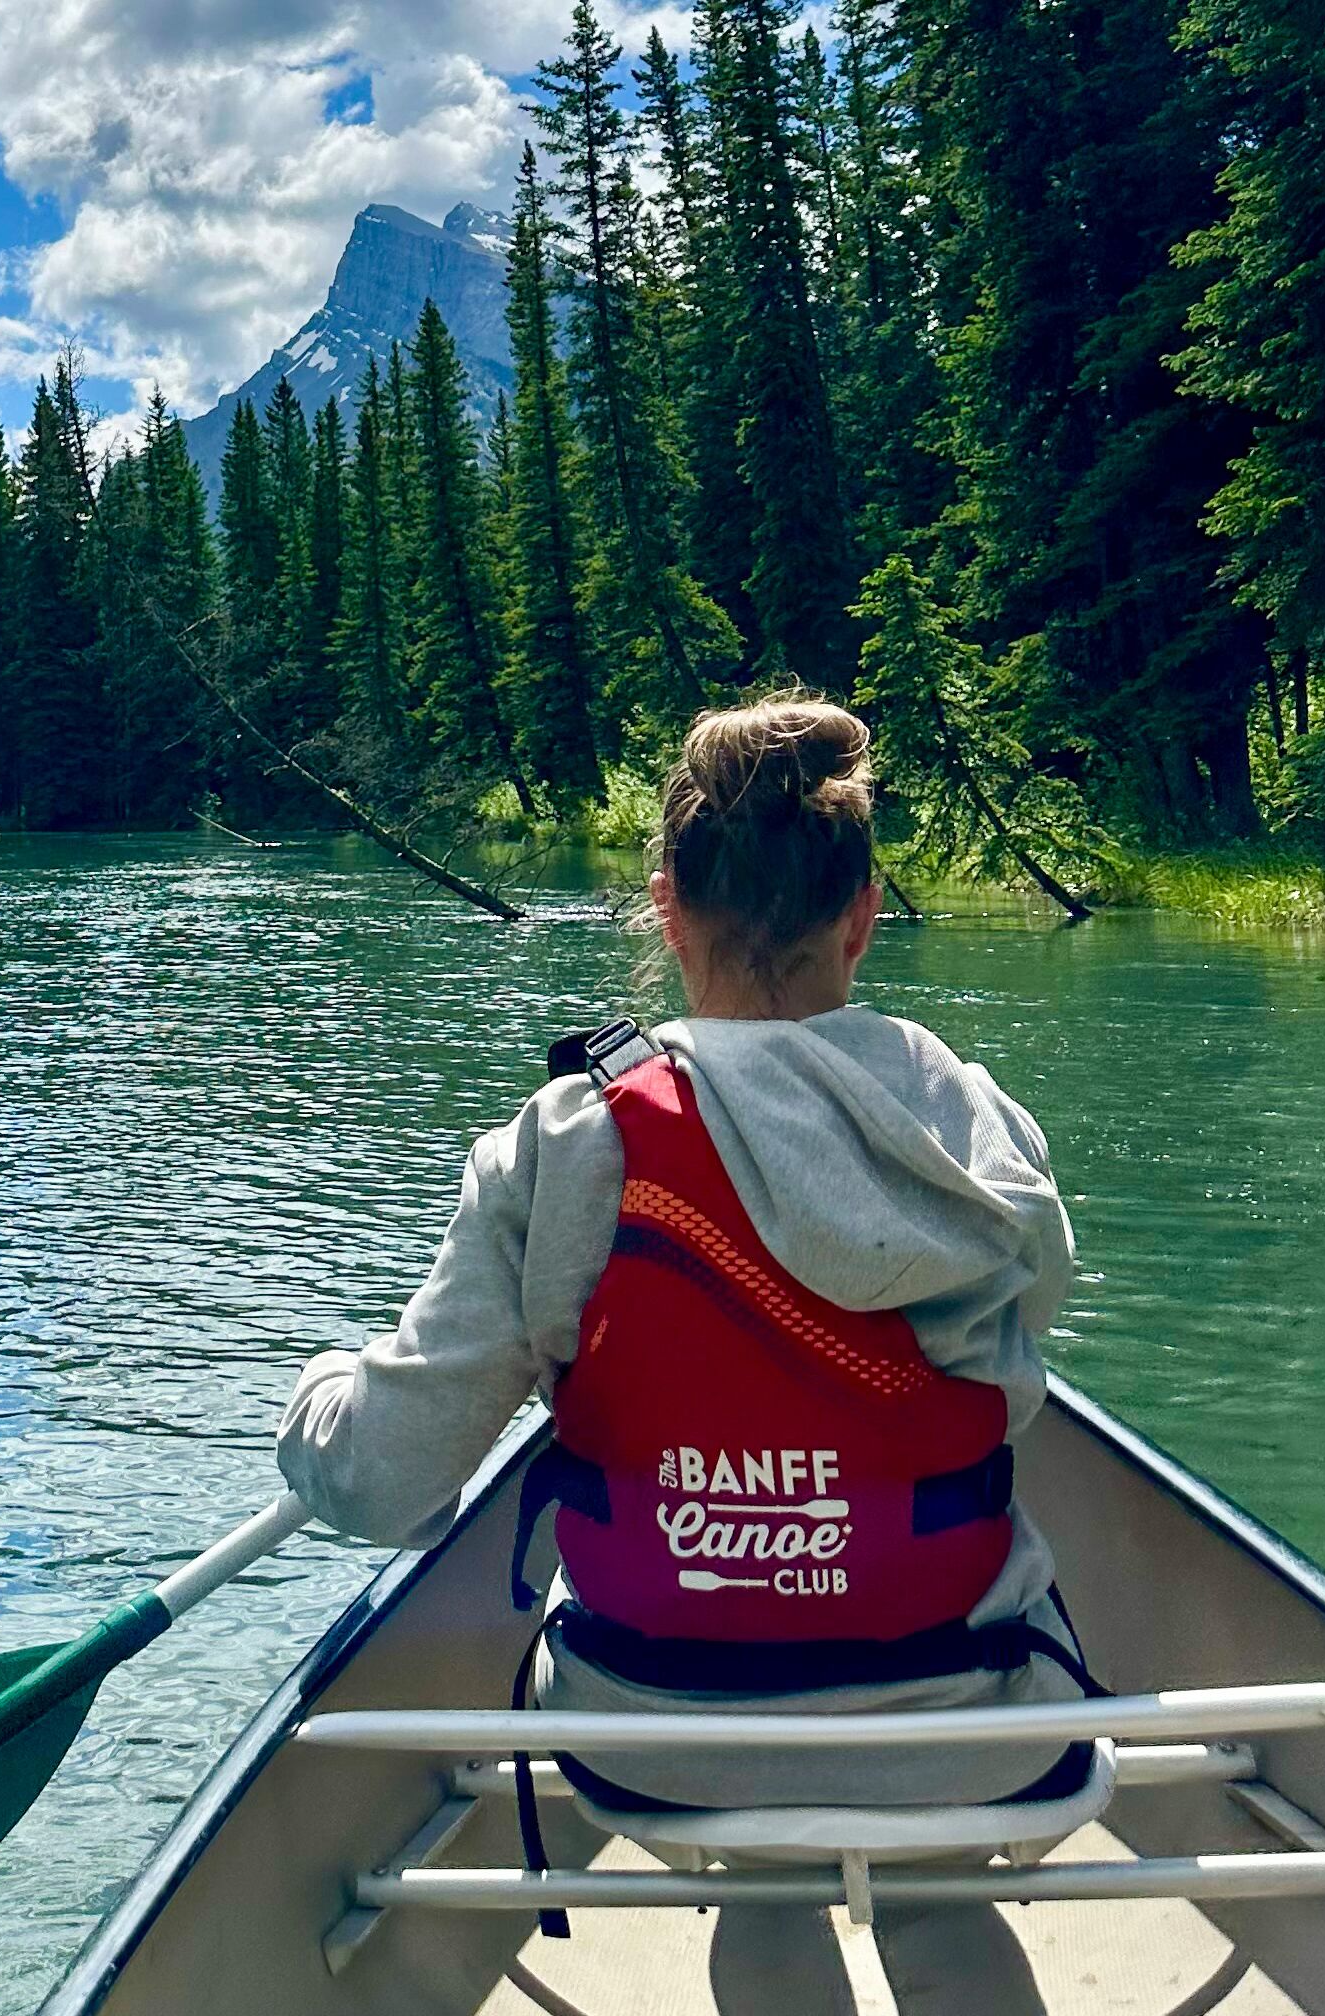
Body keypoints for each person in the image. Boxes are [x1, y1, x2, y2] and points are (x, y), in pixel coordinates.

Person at [277, 696, 1085, 2016]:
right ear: (862, 916)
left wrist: (319, 1395)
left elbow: (384, 1482)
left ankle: (762, 1882)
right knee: (939, 1888)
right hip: (961, 1702)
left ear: (667, 910)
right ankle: (934, 1890)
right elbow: (1019, 1352)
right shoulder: (972, 1124)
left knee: (757, 1883)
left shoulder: (565, 1143)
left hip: (657, 1722)